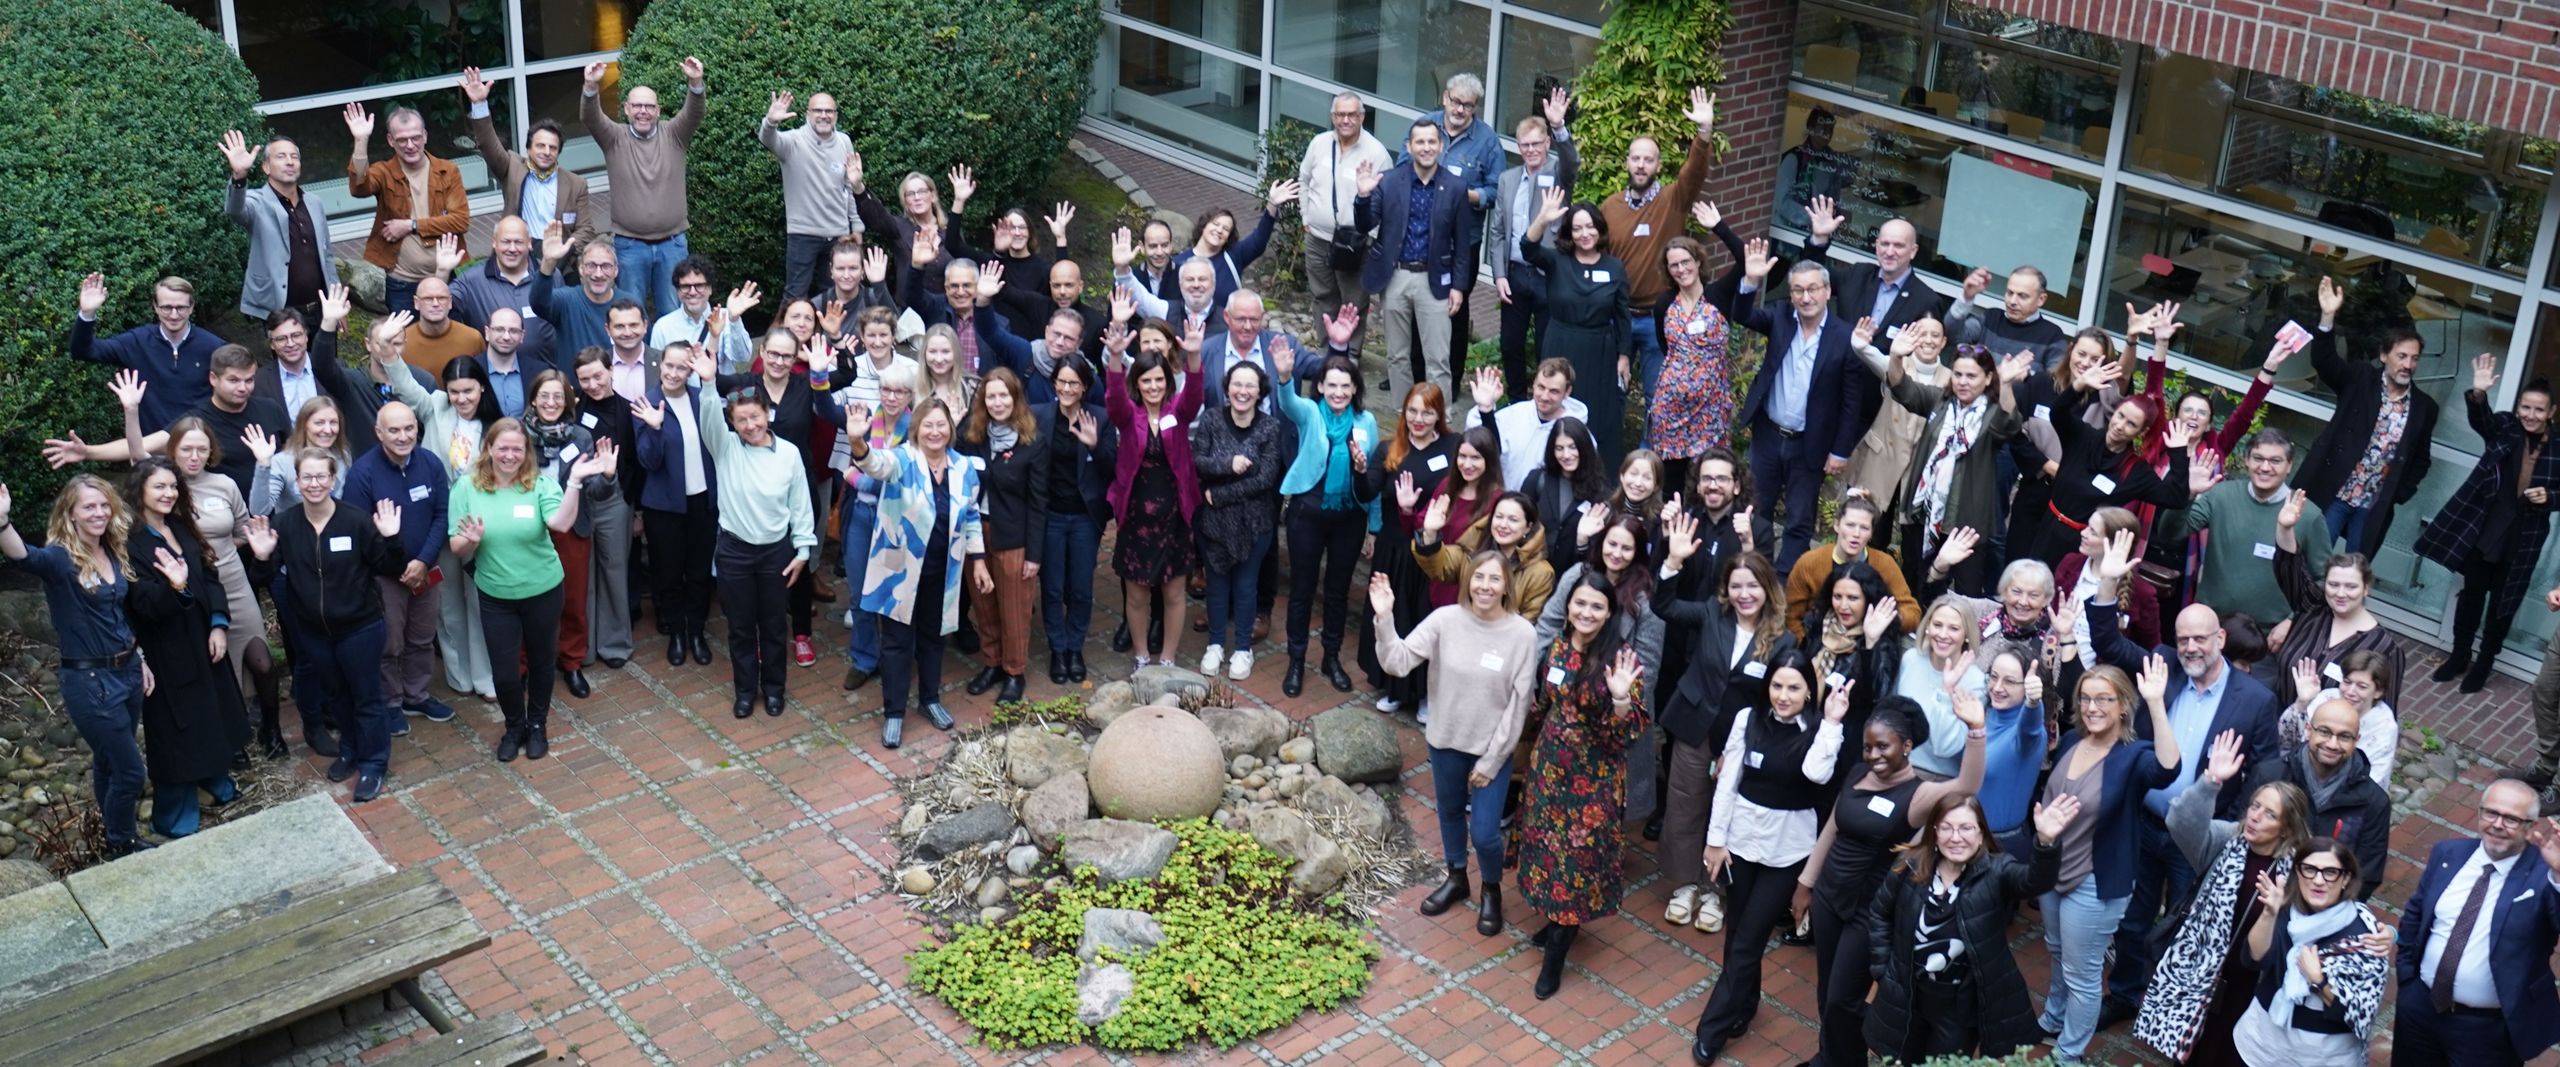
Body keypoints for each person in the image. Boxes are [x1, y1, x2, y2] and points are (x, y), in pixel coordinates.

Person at [2083, 529, 2286, 1019]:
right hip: (2146, 821)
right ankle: (2128, 994)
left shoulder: (2255, 699)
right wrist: (2107, 588)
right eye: (2183, 639)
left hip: (2198, 836)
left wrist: (2234, 827)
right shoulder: (2164, 667)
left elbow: (2265, 769)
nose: (2191, 647)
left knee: (2189, 920)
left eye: (2201, 638)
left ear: (2220, 639)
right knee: (2133, 918)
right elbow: (2109, 641)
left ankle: (2176, 1005)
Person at [1797, 693, 1988, 1067]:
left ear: (1907, 746)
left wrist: (1976, 730)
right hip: (1828, 899)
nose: (1873, 755)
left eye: (1883, 746)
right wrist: (1806, 883)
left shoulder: (1917, 795)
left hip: (1866, 912)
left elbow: (1967, 786)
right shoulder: (1857, 773)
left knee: (1843, 999)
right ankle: (1832, 1056)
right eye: (1868, 747)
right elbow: (1832, 827)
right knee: (1826, 994)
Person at [1687, 649, 1850, 1062]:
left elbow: (1817, 774)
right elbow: (1728, 784)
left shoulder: (1820, 728)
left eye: (1794, 687)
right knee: (1737, 929)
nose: (1783, 695)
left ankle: (1713, 1028)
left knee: (1749, 939)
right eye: (1777, 685)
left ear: (1808, 692)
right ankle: (1744, 1003)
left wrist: (1831, 723)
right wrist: (1715, 839)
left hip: (1789, 850)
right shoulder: (1747, 718)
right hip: (1741, 842)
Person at [2131, 728, 2317, 1066]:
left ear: (2287, 828)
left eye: (2269, 814)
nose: (2255, 816)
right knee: (2188, 1053)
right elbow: (2180, 822)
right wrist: (2210, 781)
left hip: (2252, 987)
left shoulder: (2299, 873)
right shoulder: (2227, 840)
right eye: (2255, 806)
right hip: (2201, 975)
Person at [1371, 559, 1538, 934]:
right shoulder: (1445, 620)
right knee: (1447, 812)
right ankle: (1457, 876)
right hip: (1446, 741)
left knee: (1485, 832)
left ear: (1507, 586)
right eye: (1479, 577)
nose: (1485, 586)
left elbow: (1519, 705)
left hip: (1491, 750)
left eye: (1495, 579)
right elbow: (1397, 662)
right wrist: (1384, 619)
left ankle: (1491, 889)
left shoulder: (1522, 635)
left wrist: (1492, 761)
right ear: (1468, 581)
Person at [0, 477, 164, 852]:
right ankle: (122, 842)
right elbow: (23, 557)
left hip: (126, 671)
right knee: (130, 770)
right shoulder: (60, 559)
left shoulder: (111, 549)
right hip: (89, 681)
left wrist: (139, 659)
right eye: (88, 506)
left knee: (109, 762)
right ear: (70, 514)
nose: (99, 512)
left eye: (104, 504)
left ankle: (110, 836)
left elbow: (117, 617)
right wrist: (2, 522)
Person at [2037, 657, 2183, 1062]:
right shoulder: (2070, 741)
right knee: (2056, 950)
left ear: (2122, 705)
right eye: (2086, 698)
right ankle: (2053, 1017)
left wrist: (2156, 702)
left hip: (2096, 881)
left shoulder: (2133, 756)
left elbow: (2169, 769)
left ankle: (2068, 1053)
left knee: (2082, 973)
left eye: (2104, 699)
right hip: (2052, 870)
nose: (2092, 707)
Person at [244, 451, 412, 800]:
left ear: (333, 480)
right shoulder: (286, 525)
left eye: (322, 477)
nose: (315, 484)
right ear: (297, 481)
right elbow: (264, 578)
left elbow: (390, 567)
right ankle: (349, 749)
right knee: (336, 696)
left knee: (366, 697)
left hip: (360, 627)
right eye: (307, 477)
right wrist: (261, 557)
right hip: (313, 631)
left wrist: (392, 539)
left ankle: (374, 763)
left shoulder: (355, 521)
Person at [1861, 793, 2077, 1063]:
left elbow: (2034, 882)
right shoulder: (1910, 863)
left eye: (1966, 828)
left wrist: (2045, 842)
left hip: (1958, 1006)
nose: (1956, 837)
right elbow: (1880, 912)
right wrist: (1883, 969)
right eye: (1947, 828)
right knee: (1901, 1059)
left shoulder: (1998, 871)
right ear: (1935, 832)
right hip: (1909, 994)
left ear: (1981, 834)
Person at [1516, 572, 1648, 1000]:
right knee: (1547, 852)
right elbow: (1546, 703)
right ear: (1568, 605)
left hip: (1592, 783)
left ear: (1610, 612)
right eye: (1580, 604)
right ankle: (1556, 921)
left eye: (1596, 606)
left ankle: (1558, 949)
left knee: (1575, 865)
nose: (1586, 613)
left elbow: (1626, 735)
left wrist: (1622, 699)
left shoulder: (1620, 659)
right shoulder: (1557, 645)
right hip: (1549, 772)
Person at [449, 418, 615, 758]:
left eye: (517, 449)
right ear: (489, 449)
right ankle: (514, 726)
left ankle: (537, 724)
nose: (509, 455)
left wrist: (577, 482)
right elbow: (455, 547)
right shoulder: (466, 488)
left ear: (526, 452)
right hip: (496, 594)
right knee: (506, 671)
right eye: (503, 448)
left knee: (541, 662)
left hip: (543, 590)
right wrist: (470, 540)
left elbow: (562, 523)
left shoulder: (540, 485)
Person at [1653, 539, 1790, 936]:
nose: (1744, 594)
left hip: (1740, 741)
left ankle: (1713, 889)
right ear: (1725, 589)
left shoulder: (1783, 640)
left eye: (1752, 586)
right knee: (1684, 803)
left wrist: (1742, 748)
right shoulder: (1713, 613)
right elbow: (1666, 607)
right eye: (1736, 586)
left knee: (1724, 812)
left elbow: (1773, 703)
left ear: (1767, 588)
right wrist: (1673, 562)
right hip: (1695, 727)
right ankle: (1683, 884)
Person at [118, 459, 251, 836]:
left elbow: (210, 575)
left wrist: (219, 624)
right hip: (166, 648)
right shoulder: (130, 543)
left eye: (173, 487)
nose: (168, 493)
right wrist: (175, 588)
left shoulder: (180, 527)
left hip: (204, 637)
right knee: (178, 727)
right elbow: (141, 603)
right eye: (159, 486)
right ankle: (174, 813)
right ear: (139, 490)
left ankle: (214, 779)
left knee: (214, 712)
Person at [372, 316, 502, 701]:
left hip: (480, 526)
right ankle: (459, 675)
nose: (462, 398)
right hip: (438, 521)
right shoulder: (434, 407)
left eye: (469, 391)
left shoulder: (494, 424)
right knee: (447, 604)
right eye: (455, 391)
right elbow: (404, 384)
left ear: (482, 388)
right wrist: (388, 347)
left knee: (479, 600)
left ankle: (485, 675)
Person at [685, 351, 819, 720]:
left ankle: (774, 689)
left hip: (776, 552)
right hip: (735, 553)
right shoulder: (725, 448)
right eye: (740, 419)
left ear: (767, 415)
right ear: (732, 422)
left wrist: (804, 551)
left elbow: (800, 506)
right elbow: (709, 416)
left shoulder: (789, 454)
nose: (749, 425)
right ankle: (745, 691)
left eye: (754, 417)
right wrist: (709, 383)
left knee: (775, 626)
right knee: (741, 628)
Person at [845, 397, 983, 747]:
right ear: (916, 428)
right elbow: (875, 465)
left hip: (943, 571)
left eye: (941, 425)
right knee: (896, 643)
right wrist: (858, 441)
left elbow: (970, 516)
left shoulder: (964, 467)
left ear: (950, 429)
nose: (935, 432)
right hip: (899, 573)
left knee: (934, 638)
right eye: (928, 425)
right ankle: (893, 713)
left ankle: (930, 700)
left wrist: (978, 559)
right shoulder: (903, 459)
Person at [2393, 778, 2560, 1066]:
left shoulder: (2544, 876)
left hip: (2488, 1030)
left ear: (2531, 826)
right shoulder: (2448, 853)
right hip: (2421, 1010)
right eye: (2491, 813)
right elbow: (2415, 916)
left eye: (2511, 819)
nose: (2497, 824)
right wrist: (2408, 980)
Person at [2418, 360, 2560, 692]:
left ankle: (2484, 664)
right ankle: (2459, 656)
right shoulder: (2506, 427)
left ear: (2551, 412)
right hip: (2485, 532)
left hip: (2523, 539)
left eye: (2538, 409)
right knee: (2471, 597)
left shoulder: (2558, 449)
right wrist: (2479, 392)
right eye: (2525, 406)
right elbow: (2481, 420)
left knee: (2502, 605)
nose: (2530, 414)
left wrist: (2550, 497)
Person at [1736, 243, 1874, 564]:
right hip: (1769, 434)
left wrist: (1840, 450)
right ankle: (1756, 568)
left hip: (1809, 443)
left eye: (1813, 289)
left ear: (1827, 291)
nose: (1805, 297)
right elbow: (1742, 315)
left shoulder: (1845, 336)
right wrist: (1750, 282)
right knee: (1756, 508)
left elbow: (1851, 402)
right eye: (1798, 290)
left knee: (1799, 519)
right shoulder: (1782, 317)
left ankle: (1787, 579)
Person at [713, 331, 835, 669]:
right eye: (774, 354)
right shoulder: (748, 385)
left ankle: (802, 634)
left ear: (796, 357)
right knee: (769, 573)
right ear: (762, 352)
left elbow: (837, 390)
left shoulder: (804, 383)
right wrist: (719, 332)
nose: (780, 361)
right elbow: (710, 384)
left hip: (795, 478)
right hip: (753, 488)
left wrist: (824, 365)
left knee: (799, 559)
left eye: (787, 355)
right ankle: (764, 638)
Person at [2295, 276, 2437, 556]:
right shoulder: (2360, 378)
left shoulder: (2424, 407)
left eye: (2414, 358)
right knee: (2314, 560)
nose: (2408, 364)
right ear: (2384, 355)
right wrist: (2327, 318)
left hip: (2373, 504)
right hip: (2337, 491)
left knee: (2355, 573)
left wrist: (2398, 493)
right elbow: (2325, 362)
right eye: (2402, 356)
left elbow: (2421, 459)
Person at [1271, 348, 1382, 697]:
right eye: (1331, 385)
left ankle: (1331, 657)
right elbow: (1287, 403)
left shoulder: (1367, 423)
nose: (1338, 393)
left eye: (1345, 386)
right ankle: (1296, 659)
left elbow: (1375, 481)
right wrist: (1285, 376)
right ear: (1320, 386)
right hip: (1308, 514)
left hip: (1349, 517)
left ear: (1354, 389)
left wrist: (1374, 528)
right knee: (1302, 590)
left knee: (1337, 591)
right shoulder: (1309, 413)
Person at [2232, 837, 2391, 1066]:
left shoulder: (2365, 936)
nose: (2318, 880)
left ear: (2346, 878)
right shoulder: (2288, 910)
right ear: (2298, 873)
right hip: (2261, 1046)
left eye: (2330, 872)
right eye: (2309, 869)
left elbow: (2358, 1017)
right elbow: (2253, 960)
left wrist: (2318, 981)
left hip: (2321, 1058)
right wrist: (2269, 913)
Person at [1889, 342, 2032, 596]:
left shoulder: (1991, 412)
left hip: (1967, 522)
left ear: (1988, 378)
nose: (1963, 382)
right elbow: (1904, 389)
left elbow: (2008, 424)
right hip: (1926, 512)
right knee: (1916, 579)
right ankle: (1914, 629)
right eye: (1958, 374)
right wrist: (1896, 357)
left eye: (1971, 376)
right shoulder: (1940, 402)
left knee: (1965, 593)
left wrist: (2007, 384)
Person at [342, 401, 453, 727]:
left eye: (409, 428)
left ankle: (416, 695)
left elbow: (442, 515)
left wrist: (423, 561)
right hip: (385, 577)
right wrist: (400, 569)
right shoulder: (363, 473)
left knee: (421, 637)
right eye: (394, 430)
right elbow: (360, 530)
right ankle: (390, 702)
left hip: (426, 570)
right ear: (379, 433)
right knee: (390, 642)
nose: (403, 436)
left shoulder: (430, 463)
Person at [1103, 321, 1206, 670]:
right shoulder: (1127, 415)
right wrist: (1116, 357)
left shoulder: (1178, 412)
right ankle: (1142, 656)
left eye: (1159, 380)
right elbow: (1113, 398)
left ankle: (1168, 659)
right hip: (1136, 519)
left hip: (1174, 518)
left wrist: (1193, 355)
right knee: (1137, 595)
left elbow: (1195, 395)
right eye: (1146, 380)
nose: (1153, 386)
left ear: (1167, 382)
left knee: (1174, 593)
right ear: (1138, 383)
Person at [1604, 87, 1719, 394]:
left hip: (1659, 317)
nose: (1641, 165)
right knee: (1613, 390)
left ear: (1658, 166)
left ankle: (1651, 444)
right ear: (1627, 162)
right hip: (1620, 318)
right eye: (1636, 158)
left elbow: (1694, 172)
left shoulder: (1673, 200)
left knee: (1658, 397)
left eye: (1648, 160)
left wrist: (1704, 131)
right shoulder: (1610, 207)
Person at [1354, 118, 1475, 404]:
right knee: (1397, 356)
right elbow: (1365, 224)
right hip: (1395, 277)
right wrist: (1362, 195)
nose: (1426, 147)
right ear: (1409, 146)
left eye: (1432, 141)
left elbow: (1463, 244)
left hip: (1435, 281)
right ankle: (1402, 418)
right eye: (1420, 142)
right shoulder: (1390, 181)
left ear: (1441, 146)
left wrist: (1458, 286)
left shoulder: (1456, 187)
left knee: (1438, 359)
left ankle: (1439, 422)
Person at [584, 56, 708, 318]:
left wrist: (695, 82)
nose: (643, 111)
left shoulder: (674, 134)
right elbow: (591, 118)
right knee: (630, 314)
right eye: (637, 106)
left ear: (658, 111)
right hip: (630, 246)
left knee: (674, 313)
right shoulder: (614, 138)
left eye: (649, 106)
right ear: (626, 109)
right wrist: (591, 87)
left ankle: (673, 359)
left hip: (672, 244)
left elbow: (695, 112)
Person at [948, 368, 1045, 703]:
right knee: (983, 603)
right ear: (983, 400)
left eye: (1004, 395)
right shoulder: (972, 436)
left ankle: (1014, 672)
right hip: (975, 532)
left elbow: (1039, 501)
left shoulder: (1032, 441)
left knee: (1014, 608)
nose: (998, 402)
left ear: (1015, 398)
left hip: (1014, 537)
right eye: (991, 396)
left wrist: (1034, 554)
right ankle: (992, 664)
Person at [1191, 360, 1289, 683]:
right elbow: (1199, 463)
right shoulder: (1211, 419)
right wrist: (1228, 464)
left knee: (1246, 586)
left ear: (1260, 391)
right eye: (1237, 384)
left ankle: (1243, 648)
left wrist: (1220, 496)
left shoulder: (1270, 427)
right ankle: (1216, 644)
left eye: (1250, 386)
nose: (1243, 391)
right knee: (1217, 585)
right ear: (1227, 387)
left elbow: (1265, 479)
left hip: (1254, 523)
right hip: (1213, 525)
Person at [1362, 383, 1458, 710]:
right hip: (1394, 551)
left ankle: (1425, 694)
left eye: (1427, 412)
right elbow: (1366, 491)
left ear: (1438, 415)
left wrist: (1486, 413)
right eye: (1413, 411)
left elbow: (1485, 461)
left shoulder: (1452, 446)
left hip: (1431, 550)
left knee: (1426, 619)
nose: (1419, 419)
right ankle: (1395, 688)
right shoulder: (1389, 449)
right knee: (1397, 616)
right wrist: (1359, 470)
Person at [1519, 189, 1635, 459]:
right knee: (1554, 403)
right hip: (1560, 343)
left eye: (1590, 227)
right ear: (1569, 233)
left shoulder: (1614, 267)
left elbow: (1622, 317)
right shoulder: (1557, 261)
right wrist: (1543, 219)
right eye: (1577, 228)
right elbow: (1528, 248)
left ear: (1600, 229)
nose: (1585, 233)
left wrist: (1624, 355)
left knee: (1597, 412)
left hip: (1600, 350)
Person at [522, 371, 615, 698]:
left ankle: (572, 662)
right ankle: (524, 665)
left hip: (573, 528)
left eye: (558, 397)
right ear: (533, 398)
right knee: (526, 601)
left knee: (573, 599)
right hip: (528, 531)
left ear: (569, 401)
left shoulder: (581, 438)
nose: (551, 403)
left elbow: (596, 493)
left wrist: (608, 475)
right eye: (544, 396)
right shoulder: (517, 434)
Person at [2187, 428, 2334, 630]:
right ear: (2246, 459)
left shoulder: (2308, 515)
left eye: (2275, 461)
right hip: (2210, 624)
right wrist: (2186, 493)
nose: (2265, 467)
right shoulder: (2220, 495)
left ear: (2289, 465)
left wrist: (2293, 620)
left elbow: (2326, 580)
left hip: (2267, 636)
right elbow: (2173, 531)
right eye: (2258, 458)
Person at [2272, 496, 2406, 711]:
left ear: (2366, 589)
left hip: (2329, 742)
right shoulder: (2311, 610)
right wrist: (2285, 528)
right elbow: (2289, 567)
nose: (2340, 593)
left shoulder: (2384, 648)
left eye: (2351, 587)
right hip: (2278, 726)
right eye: (2333, 584)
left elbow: (2383, 714)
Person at [632, 343, 719, 666]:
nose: (673, 373)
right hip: (664, 507)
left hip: (703, 501)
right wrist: (654, 428)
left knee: (698, 572)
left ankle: (697, 631)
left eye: (681, 368)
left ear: (691, 370)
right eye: (669, 365)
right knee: (668, 574)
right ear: (660, 364)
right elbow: (648, 462)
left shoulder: (701, 400)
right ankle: (677, 634)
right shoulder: (646, 404)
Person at [1487, 91, 1579, 393]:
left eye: (1536, 144)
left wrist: (1559, 125)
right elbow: (1498, 232)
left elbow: (1572, 161)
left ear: (1547, 144)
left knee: (1546, 347)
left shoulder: (1558, 175)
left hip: (1547, 276)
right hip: (1514, 274)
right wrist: (1498, 275)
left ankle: (1546, 400)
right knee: (1510, 344)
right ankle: (1515, 400)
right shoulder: (1507, 179)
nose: (1531, 150)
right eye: (1525, 145)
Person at [342, 103, 468, 316]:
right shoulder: (384, 172)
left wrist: (411, 225)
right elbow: (359, 188)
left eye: (415, 138)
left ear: (425, 136)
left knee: (449, 338)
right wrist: (361, 140)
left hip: (444, 276)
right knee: (406, 344)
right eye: (402, 140)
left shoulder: (448, 171)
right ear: (391, 141)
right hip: (401, 284)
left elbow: (461, 221)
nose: (410, 145)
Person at [67, 273, 227, 432]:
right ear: (155, 306)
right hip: (149, 450)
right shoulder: (137, 342)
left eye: (181, 308)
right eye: (166, 308)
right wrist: (87, 314)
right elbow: (83, 351)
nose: (174, 315)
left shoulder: (213, 347)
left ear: (191, 307)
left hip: (198, 447)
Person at [462, 67, 595, 258]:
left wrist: (566, 250)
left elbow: (586, 229)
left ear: (559, 152)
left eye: (553, 147)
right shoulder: (513, 168)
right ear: (529, 148)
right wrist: (480, 104)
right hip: (517, 252)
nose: (546, 152)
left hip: (558, 256)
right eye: (540, 146)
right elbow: (488, 144)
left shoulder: (576, 184)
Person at [1648, 217, 1746, 476]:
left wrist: (1719, 227)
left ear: (1698, 262)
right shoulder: (1664, 304)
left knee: (1708, 476)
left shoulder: (1718, 295)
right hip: (1670, 409)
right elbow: (1665, 346)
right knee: (1672, 481)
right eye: (1674, 265)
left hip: (1709, 410)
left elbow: (1745, 260)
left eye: (1685, 262)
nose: (1681, 269)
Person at [838, 362, 915, 690]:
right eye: (886, 389)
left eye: (899, 391)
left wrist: (858, 479)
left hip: (896, 521)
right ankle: (864, 658)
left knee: (894, 592)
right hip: (861, 517)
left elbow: (899, 481)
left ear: (910, 394)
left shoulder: (916, 429)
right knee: (859, 592)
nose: (892, 396)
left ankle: (896, 658)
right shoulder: (867, 422)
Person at [1298, 91, 1392, 341]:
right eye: (1340, 114)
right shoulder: (1319, 144)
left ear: (1362, 116)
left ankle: (1350, 357)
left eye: (1352, 114)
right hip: (1317, 238)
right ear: (1333, 117)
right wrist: (1305, 217)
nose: (1346, 120)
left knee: (1353, 304)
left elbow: (1387, 201)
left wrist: (1369, 236)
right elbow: (1304, 180)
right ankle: (1326, 350)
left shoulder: (1376, 153)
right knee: (1322, 296)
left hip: (1355, 243)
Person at [1799, 194, 1949, 346]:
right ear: (1877, 247)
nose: (1890, 252)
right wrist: (1819, 238)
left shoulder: (1926, 301)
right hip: (1838, 367)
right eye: (1885, 244)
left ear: (1913, 251)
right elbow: (1812, 279)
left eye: (1898, 245)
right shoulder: (1857, 274)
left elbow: (1927, 351)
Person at [570, 348, 640, 670]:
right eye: (585, 379)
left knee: (613, 570)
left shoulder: (628, 410)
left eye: (598, 375)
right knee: (583, 575)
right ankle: (583, 646)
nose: (593, 384)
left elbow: (637, 464)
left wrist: (634, 508)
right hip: (579, 499)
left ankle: (614, 644)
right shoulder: (572, 409)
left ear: (611, 370)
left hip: (614, 500)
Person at [221, 130, 337, 323]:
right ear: (266, 167)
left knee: (326, 355)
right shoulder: (256, 202)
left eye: (294, 157)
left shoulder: (314, 202)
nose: (290, 162)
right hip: (279, 312)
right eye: (281, 157)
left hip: (321, 310)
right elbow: (235, 210)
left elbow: (327, 256)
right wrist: (239, 176)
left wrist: (336, 302)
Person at [758, 90, 856, 298]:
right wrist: (770, 122)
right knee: (795, 295)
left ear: (836, 115)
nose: (824, 115)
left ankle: (831, 332)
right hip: (803, 234)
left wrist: (855, 225)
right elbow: (768, 139)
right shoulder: (793, 141)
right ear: (807, 114)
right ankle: (786, 332)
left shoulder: (844, 142)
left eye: (829, 111)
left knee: (835, 296)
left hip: (838, 234)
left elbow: (848, 186)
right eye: (818, 110)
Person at [446, 218, 567, 372]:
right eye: (506, 242)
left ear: (529, 243)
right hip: (494, 378)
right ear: (494, 243)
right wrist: (442, 272)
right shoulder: (472, 280)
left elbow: (564, 323)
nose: (512, 248)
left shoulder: (550, 275)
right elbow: (437, 305)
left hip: (545, 377)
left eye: (518, 242)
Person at [1415, 490, 1553, 619]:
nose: (1503, 525)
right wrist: (1430, 534)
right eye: (1499, 517)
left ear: (1528, 527)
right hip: (1465, 631)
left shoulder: (1540, 572)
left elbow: (1530, 621)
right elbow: (1439, 567)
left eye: (1513, 519)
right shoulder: (1472, 549)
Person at [1890, 597, 1987, 779]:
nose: (1943, 634)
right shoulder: (1911, 659)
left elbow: (1944, 748)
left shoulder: (1976, 682)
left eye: (1954, 628)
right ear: (1927, 627)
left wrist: (1945, 692)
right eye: (1937, 625)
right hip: (1897, 766)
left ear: (1966, 634)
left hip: (1937, 777)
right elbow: (1893, 716)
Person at [1465, 359, 1588, 492]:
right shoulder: (1515, 413)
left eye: (1554, 391)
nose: (1545, 396)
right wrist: (1485, 408)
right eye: (1541, 387)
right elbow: (1476, 443)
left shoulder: (1577, 431)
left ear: (1567, 392)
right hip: (1502, 501)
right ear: (1534, 384)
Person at [1979, 638, 2053, 857]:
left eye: (2010, 681)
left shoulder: (2030, 735)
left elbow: (2029, 729)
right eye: (1994, 677)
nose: (1998, 687)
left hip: (2001, 846)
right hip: (1966, 835)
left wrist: (2032, 702)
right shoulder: (1985, 714)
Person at [2281, 651, 2400, 787]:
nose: (2350, 691)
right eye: (2347, 682)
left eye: (2362, 686)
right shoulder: (2326, 698)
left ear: (2378, 692)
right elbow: (2285, 742)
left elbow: (2374, 779)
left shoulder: (2384, 726)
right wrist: (2302, 703)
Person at [1519, 417, 1612, 576]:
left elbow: (1600, 550)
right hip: (1532, 575)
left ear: (1584, 448)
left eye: (1572, 447)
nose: (1566, 455)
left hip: (1574, 579)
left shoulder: (1600, 493)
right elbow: (1518, 522)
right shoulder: (1537, 480)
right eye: (1559, 448)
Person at [1947, 264, 2070, 368]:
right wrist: (1967, 297)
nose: (2012, 301)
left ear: (2041, 299)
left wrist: (2022, 376)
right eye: (2009, 293)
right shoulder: (1990, 318)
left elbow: (2055, 385)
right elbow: (1952, 336)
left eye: (2022, 296)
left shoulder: (2053, 336)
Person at [650, 260, 756, 375]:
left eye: (699, 285)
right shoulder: (663, 327)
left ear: (710, 288)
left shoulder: (726, 317)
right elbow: (656, 373)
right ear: (678, 291)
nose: (692, 292)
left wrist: (734, 320)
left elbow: (742, 357)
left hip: (719, 392)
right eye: (685, 286)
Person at [1772, 108, 1855, 231]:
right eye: (1823, 128)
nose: (1827, 133)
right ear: (1811, 128)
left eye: (1830, 129)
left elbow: (1834, 197)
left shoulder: (1831, 162)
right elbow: (1781, 201)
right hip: (1788, 231)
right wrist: (1811, 219)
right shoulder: (1794, 158)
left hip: (1815, 230)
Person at [400, 274, 486, 379]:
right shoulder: (402, 341)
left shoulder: (473, 338)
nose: (435, 304)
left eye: (441, 298)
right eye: (428, 299)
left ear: (450, 302)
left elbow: (483, 380)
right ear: (416, 303)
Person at [549, 245, 627, 359]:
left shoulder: (630, 304)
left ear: (616, 270)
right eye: (591, 266)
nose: (598, 274)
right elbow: (539, 302)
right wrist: (547, 264)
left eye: (606, 266)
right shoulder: (565, 300)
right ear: (581, 269)